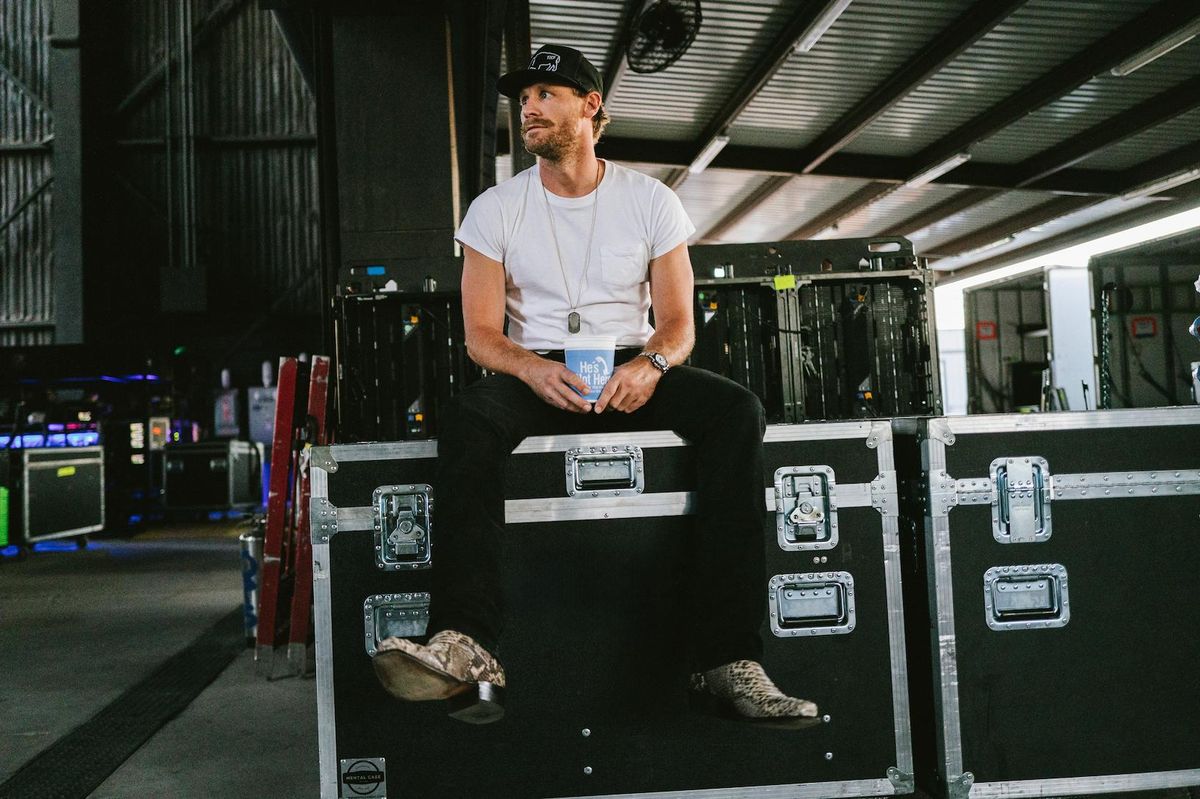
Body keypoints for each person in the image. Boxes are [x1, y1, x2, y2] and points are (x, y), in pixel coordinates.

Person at [371, 44, 818, 728]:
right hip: (538, 370)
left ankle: (728, 658)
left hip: (630, 367)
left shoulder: (650, 201)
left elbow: (675, 323)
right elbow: (481, 335)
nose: (528, 109)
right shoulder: (495, 209)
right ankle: (467, 644)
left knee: (736, 410)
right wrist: (528, 366)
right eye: (522, 100)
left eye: (545, 95)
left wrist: (652, 366)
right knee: (469, 417)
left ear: (591, 106)